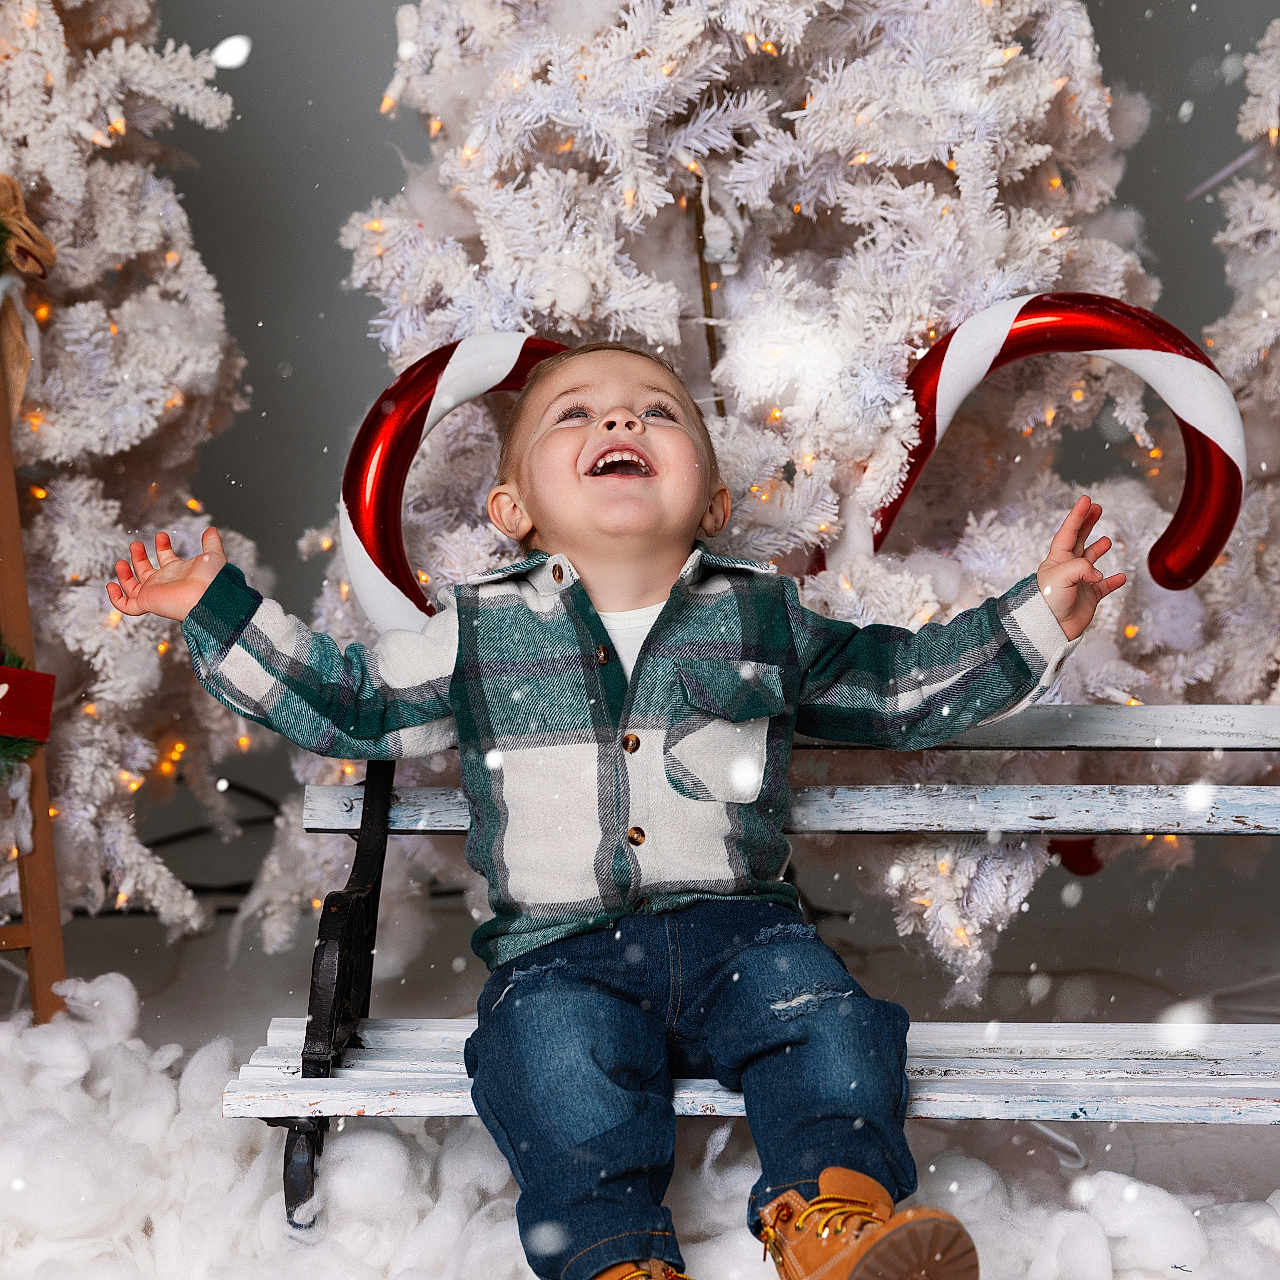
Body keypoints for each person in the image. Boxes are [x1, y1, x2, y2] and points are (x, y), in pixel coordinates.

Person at [107, 340, 1125, 1280]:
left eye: (655, 413)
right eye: (576, 415)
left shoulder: (756, 616)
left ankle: (832, 1214)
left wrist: (1035, 615)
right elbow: (350, 703)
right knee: (549, 1064)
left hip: (744, 936)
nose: (619, 425)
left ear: (715, 499)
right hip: (562, 948)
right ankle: (612, 1254)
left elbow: (896, 687)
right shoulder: (477, 630)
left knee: (832, 1026)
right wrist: (215, 610)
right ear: (512, 509)